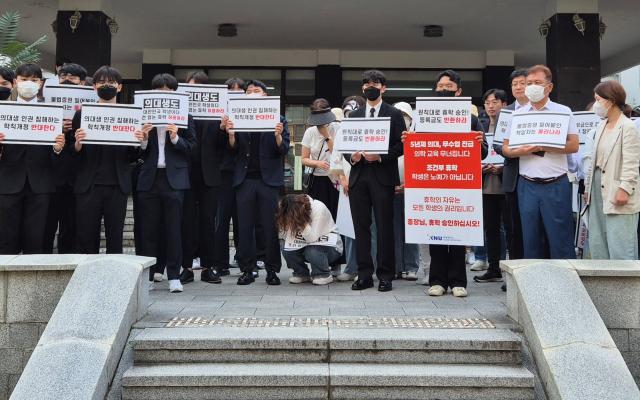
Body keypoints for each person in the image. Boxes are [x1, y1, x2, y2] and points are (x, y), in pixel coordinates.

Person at [502, 64, 579, 259]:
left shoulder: (563, 111)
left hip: (557, 183)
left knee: (560, 238)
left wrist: (545, 146)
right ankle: (534, 285)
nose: (531, 87)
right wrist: (521, 150)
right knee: (530, 237)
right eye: (529, 83)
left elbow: (573, 145)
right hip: (527, 184)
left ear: (549, 87)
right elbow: (506, 148)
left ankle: (566, 285)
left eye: (537, 83)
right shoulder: (517, 115)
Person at [69, 66, 145, 255]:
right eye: (102, 82)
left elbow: (133, 156)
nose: (107, 86)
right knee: (86, 237)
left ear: (119, 87)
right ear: (94, 87)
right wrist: (78, 143)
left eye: (111, 82)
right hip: (89, 184)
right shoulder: (82, 114)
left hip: (117, 185)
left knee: (115, 238)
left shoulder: (130, 115)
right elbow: (72, 153)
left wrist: (141, 142)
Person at [425, 69, 488, 298]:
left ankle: (459, 281)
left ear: (458, 92)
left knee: (458, 234)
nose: (443, 91)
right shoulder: (425, 119)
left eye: (448, 88)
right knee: (436, 233)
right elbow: (416, 150)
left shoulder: (470, 120)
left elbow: (483, 152)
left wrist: (480, 143)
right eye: (440, 87)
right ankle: (437, 281)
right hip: (434, 182)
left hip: (461, 184)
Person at [225, 79, 290, 286]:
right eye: (249, 91)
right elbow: (232, 150)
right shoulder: (237, 117)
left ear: (265, 95)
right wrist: (231, 136)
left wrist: (278, 136)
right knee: (244, 227)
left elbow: (284, 149)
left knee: (270, 227)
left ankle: (272, 270)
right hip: (244, 180)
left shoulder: (277, 118)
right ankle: (247, 269)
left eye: (257, 91)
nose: (253, 93)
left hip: (268, 181)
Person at [345, 70, 405, 292]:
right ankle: (364, 274)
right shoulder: (354, 115)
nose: (371, 86)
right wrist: (353, 156)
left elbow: (401, 146)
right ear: (362, 88)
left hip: (382, 175)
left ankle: (386, 275)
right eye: (367, 83)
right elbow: (345, 146)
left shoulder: (394, 114)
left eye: (375, 83)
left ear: (383, 88)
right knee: (361, 228)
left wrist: (380, 156)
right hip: (359, 175)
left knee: (384, 227)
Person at [136, 73, 196, 293]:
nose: (163, 94)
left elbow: (192, 148)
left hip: (175, 180)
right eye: (158, 90)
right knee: (149, 230)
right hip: (149, 179)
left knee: (174, 229)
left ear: (174, 94)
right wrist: (142, 139)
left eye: (167, 91)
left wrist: (175, 137)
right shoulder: (142, 116)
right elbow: (135, 153)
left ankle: (174, 276)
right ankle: (151, 275)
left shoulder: (184, 117)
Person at [0, 63, 66, 254]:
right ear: (14, 82)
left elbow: (60, 159)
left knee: (36, 239)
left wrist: (57, 149)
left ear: (41, 83)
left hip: (41, 185)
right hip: (7, 183)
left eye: (34, 80)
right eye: (24, 79)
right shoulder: (3, 111)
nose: (29, 83)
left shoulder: (52, 113)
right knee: (5, 238)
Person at [178, 71, 227, 285]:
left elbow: (224, 147)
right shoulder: (178, 113)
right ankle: (186, 267)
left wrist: (225, 130)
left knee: (209, 222)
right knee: (186, 222)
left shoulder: (217, 114)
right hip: (184, 173)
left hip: (210, 175)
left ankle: (209, 268)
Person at [584, 81, 640, 260]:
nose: (596, 105)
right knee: (598, 242)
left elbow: (632, 162)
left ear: (611, 100)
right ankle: (603, 286)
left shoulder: (628, 127)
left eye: (598, 100)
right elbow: (593, 159)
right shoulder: (601, 125)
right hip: (596, 186)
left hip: (617, 186)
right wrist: (587, 188)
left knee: (621, 244)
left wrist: (625, 189)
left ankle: (627, 287)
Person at [44, 63, 88, 254]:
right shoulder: (46, 105)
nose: (67, 79)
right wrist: (57, 129)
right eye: (63, 76)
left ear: (82, 82)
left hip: (77, 180)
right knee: (46, 227)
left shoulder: (89, 109)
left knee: (71, 228)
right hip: (50, 179)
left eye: (73, 77)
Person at [474, 89, 509, 283]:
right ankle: (493, 267)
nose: (491, 106)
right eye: (487, 102)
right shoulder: (481, 125)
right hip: (486, 184)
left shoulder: (510, 125)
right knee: (491, 228)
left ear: (504, 104)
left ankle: (507, 268)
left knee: (508, 228)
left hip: (506, 183)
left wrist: (502, 169)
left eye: (495, 102)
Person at [493, 69, 528, 265]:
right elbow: (497, 144)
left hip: (538, 176)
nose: (518, 87)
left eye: (522, 83)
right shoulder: (506, 113)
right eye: (514, 84)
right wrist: (512, 150)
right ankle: (515, 271)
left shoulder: (541, 112)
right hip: (513, 177)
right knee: (513, 227)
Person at [212, 77, 244, 275]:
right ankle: (220, 262)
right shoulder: (218, 115)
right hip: (223, 173)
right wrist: (222, 129)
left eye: (238, 91)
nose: (234, 94)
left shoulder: (249, 114)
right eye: (230, 91)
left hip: (243, 172)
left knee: (243, 220)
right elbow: (213, 145)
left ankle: (243, 260)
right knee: (221, 220)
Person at [278, 194, 343, 285]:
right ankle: (301, 273)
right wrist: (285, 225)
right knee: (285, 246)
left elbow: (312, 238)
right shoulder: (288, 210)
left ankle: (323, 274)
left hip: (331, 248)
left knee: (312, 250)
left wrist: (301, 222)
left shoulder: (319, 208)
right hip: (306, 245)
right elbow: (282, 236)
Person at [391, 101, 420, 281]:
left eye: (406, 117)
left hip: (413, 190)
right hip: (392, 189)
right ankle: (396, 266)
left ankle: (411, 266)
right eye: (399, 116)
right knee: (393, 230)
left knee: (412, 230)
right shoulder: (389, 139)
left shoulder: (417, 139)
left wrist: (409, 184)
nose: (403, 120)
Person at [301, 98, 339, 218]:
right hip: (317, 179)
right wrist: (317, 163)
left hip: (336, 178)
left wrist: (327, 136)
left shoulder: (338, 128)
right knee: (318, 214)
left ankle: (336, 237)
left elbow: (338, 154)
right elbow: (304, 159)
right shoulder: (310, 132)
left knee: (336, 213)